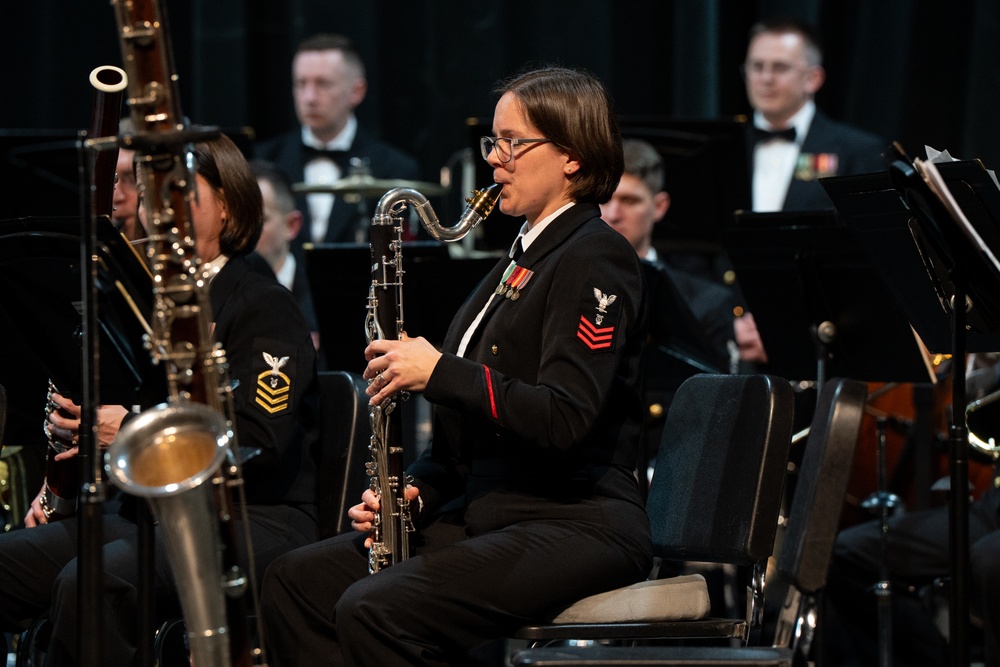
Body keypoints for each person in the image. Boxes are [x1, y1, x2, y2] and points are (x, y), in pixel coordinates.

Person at [260, 65, 653, 666]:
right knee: (294, 582)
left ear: (571, 156)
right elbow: (466, 440)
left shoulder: (596, 256)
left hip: (578, 520)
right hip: (487, 510)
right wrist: (416, 489)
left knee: (375, 608)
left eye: (513, 143)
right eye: (493, 142)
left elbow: (565, 417)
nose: (495, 160)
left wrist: (440, 371)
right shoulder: (520, 258)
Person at [0, 133, 320, 665]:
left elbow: (259, 440)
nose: (159, 211)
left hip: (256, 517)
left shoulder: (263, 304)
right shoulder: (139, 304)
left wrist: (128, 429)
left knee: (92, 584)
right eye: (149, 197)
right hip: (150, 513)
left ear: (226, 203)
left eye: (179, 194)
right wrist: (82, 433)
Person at [254, 33, 420, 250]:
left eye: (323, 84)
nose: (309, 97)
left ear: (357, 91)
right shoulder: (265, 161)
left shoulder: (396, 169)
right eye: (301, 84)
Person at [743, 17, 886, 212]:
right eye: (757, 66)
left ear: (813, 78)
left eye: (780, 67)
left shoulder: (858, 152)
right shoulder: (722, 148)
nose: (766, 78)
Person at [248, 158, 321, 352]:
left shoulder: (322, 294)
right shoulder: (220, 293)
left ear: (292, 225)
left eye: (259, 220)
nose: (244, 233)